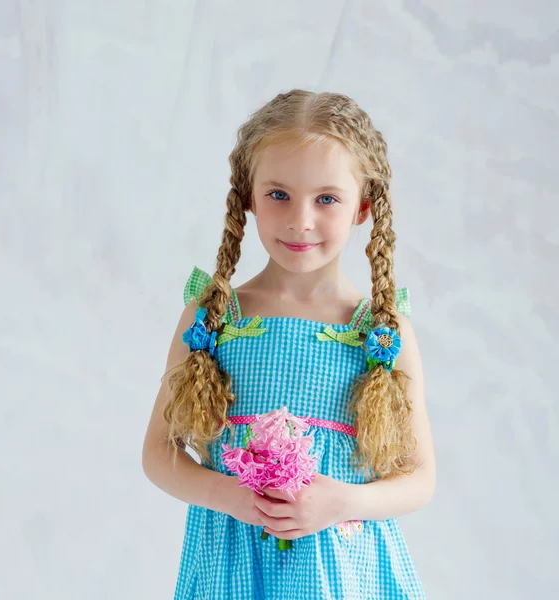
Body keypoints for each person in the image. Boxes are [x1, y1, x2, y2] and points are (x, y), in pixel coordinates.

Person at [142, 89, 436, 599]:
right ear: (249, 198)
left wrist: (342, 501)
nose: (301, 219)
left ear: (362, 206)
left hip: (345, 574)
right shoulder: (211, 319)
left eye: (327, 199)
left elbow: (420, 479)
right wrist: (227, 494)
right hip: (231, 571)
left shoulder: (381, 334)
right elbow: (157, 453)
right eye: (279, 194)